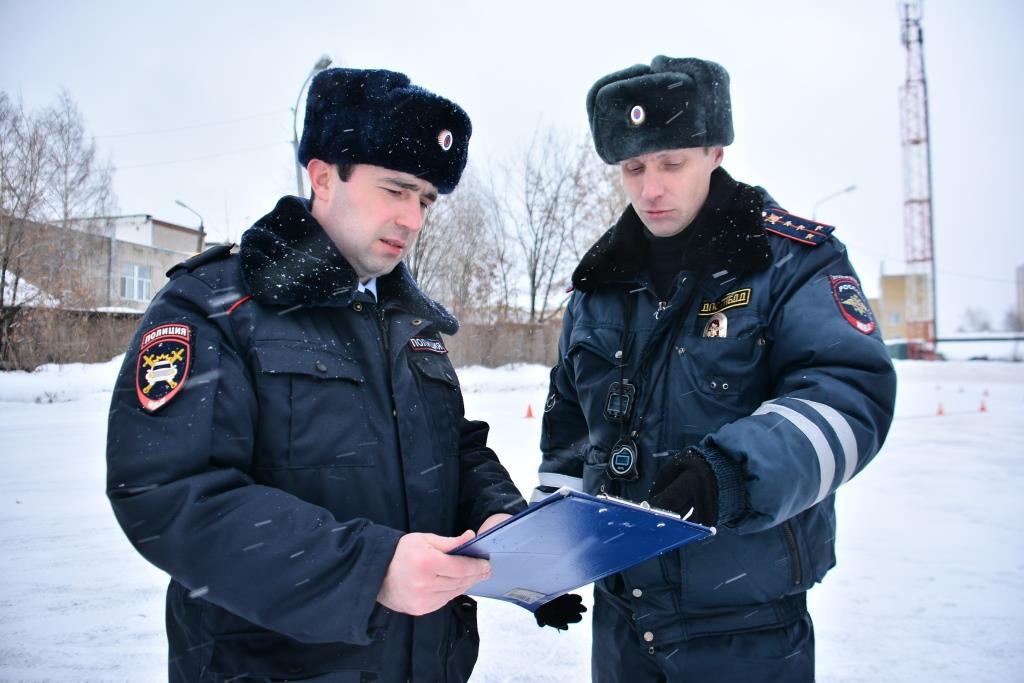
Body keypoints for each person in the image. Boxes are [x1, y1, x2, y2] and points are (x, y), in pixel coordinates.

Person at [106, 67, 528, 682]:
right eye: (395, 190)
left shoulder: (409, 322)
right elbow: (168, 493)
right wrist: (369, 567)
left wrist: (497, 516)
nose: (413, 219)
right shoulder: (216, 308)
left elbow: (452, 448)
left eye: (426, 200)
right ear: (323, 175)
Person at [536, 56, 897, 682]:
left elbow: (848, 396)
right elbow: (570, 431)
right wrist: (551, 553)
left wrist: (731, 472)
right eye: (634, 168)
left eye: (672, 163)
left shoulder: (790, 263)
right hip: (623, 624)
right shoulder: (597, 286)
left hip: (746, 627)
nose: (651, 189)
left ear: (715, 152)